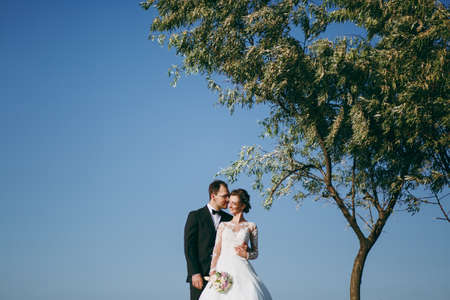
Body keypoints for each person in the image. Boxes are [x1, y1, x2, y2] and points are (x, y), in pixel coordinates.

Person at [199, 188, 272, 300]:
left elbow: (255, 253)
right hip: (223, 269)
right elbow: (216, 251)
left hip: (242, 269)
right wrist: (212, 271)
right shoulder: (223, 225)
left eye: (234, 203)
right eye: (229, 203)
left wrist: (246, 254)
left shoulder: (251, 226)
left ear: (242, 206)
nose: (230, 206)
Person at [184, 180, 233, 300]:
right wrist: (195, 273)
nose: (228, 199)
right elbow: (189, 248)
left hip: (223, 276)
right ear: (213, 196)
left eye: (229, 195)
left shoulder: (230, 219)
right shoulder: (195, 216)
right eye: (224, 196)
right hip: (200, 276)